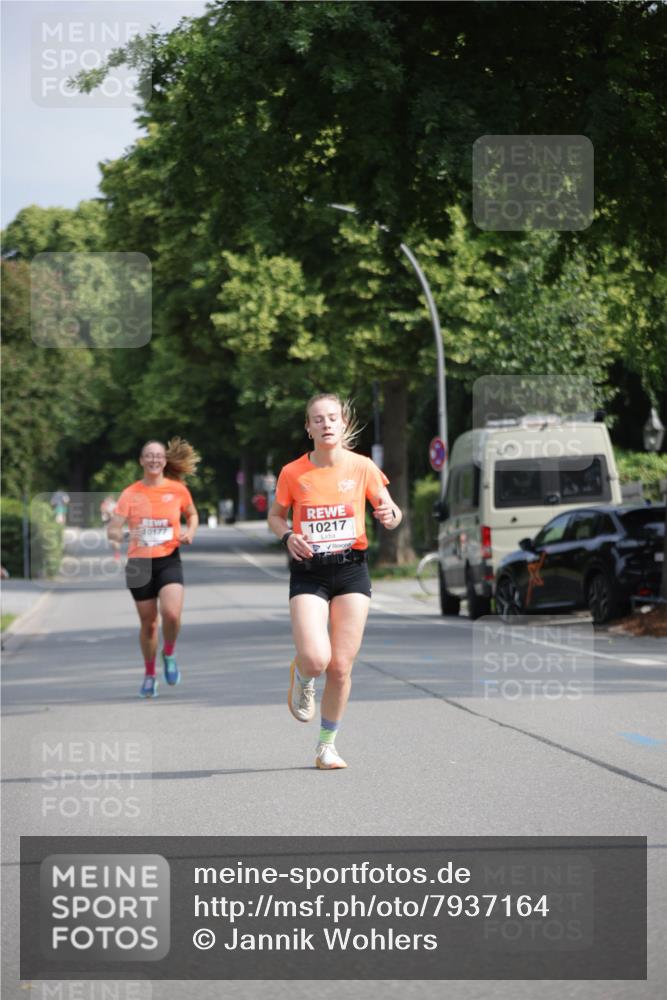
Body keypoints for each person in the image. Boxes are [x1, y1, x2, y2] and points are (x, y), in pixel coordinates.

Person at [268, 393, 402, 769]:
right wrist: (286, 535)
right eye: (318, 419)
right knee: (316, 659)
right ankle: (303, 674)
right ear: (308, 428)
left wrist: (391, 515)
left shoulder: (362, 467)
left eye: (332, 418)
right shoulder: (293, 473)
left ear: (343, 424)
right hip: (309, 570)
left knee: (340, 667)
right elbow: (276, 516)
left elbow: (391, 509)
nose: (326, 424)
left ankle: (326, 746)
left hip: (351, 569)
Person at [107, 438, 200, 698]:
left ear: (165, 460)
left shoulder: (178, 490)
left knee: (171, 615)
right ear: (141, 461)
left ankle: (169, 652)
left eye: (158, 455)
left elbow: (192, 514)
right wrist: (119, 534)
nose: (154, 460)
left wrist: (190, 532)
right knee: (148, 625)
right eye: (149, 455)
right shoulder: (130, 493)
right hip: (139, 563)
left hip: (168, 558)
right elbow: (114, 527)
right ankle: (149, 674)